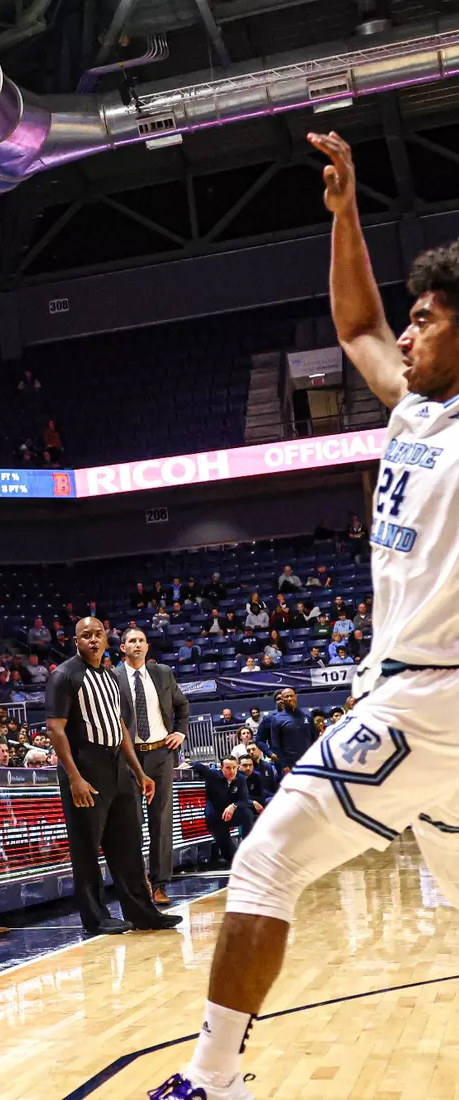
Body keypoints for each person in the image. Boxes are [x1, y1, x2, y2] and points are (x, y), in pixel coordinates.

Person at [153, 133, 459, 1100]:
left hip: (429, 700)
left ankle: (212, 1079)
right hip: (423, 700)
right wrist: (343, 216)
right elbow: (359, 324)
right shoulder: (415, 412)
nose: (405, 338)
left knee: (266, 859)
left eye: (429, 321)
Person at [45, 618, 180, 936]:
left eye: (98, 634)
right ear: (75, 641)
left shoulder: (109, 677)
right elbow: (55, 728)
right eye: (85, 635)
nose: (93, 640)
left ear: (107, 640)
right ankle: (95, 917)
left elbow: (119, 728)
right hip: (85, 765)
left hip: (117, 765)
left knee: (128, 843)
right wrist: (74, 777)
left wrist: (139, 771)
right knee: (87, 845)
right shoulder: (64, 675)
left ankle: (142, 911)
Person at [186, 757, 256, 866]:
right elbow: (197, 765)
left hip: (231, 813)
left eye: (234, 768)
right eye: (228, 768)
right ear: (221, 768)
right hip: (216, 816)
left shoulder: (240, 779)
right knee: (232, 855)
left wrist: (233, 806)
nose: (232, 771)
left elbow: (244, 799)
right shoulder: (213, 775)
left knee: (247, 813)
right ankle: (233, 858)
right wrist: (187, 762)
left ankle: (250, 848)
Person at [253, 687, 311, 775]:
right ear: (275, 702)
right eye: (278, 699)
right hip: (282, 761)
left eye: (282, 698)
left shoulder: (302, 715)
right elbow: (259, 740)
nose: (281, 701)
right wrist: (271, 754)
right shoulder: (269, 719)